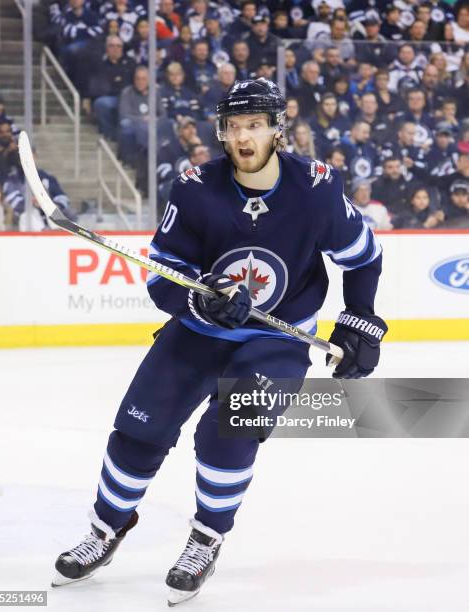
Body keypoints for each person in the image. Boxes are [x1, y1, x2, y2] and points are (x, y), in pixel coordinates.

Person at [51, 77, 387, 605]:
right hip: (197, 332)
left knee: (226, 431)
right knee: (139, 430)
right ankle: (105, 529)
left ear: (276, 130)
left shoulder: (316, 189)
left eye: (254, 125)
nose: (243, 137)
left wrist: (361, 318)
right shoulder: (194, 187)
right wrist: (198, 300)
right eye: (234, 127)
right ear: (223, 133)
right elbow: (163, 273)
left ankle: (206, 538)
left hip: (275, 342)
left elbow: (362, 255)